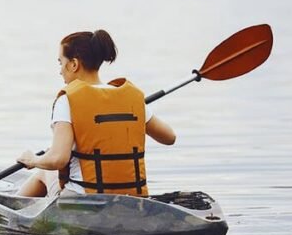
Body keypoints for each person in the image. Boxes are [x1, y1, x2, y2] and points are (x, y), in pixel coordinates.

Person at [15, 30, 176, 198]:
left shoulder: (67, 100)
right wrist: (140, 111)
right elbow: (169, 137)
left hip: (83, 199)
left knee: (44, 172)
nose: (60, 70)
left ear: (73, 64)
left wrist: (33, 160)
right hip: (132, 198)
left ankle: (13, 210)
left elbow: (58, 159)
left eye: (60, 62)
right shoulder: (132, 98)